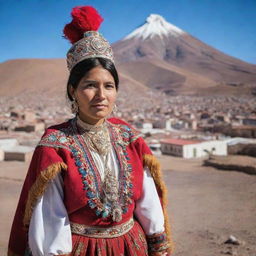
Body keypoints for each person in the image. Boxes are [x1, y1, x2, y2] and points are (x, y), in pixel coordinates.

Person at [8, 6, 174, 256]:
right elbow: (50, 217)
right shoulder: (56, 145)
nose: (101, 95)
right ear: (73, 91)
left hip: (133, 248)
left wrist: (158, 246)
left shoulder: (129, 136)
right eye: (89, 85)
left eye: (109, 86)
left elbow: (148, 202)